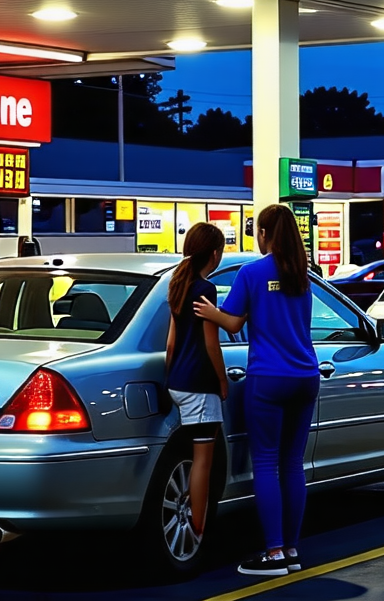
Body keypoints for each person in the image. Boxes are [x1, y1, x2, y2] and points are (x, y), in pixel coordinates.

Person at [194, 204, 319, 578]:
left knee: (265, 462)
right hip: (306, 375)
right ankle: (291, 550)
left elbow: (233, 322)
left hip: (268, 377)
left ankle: (273, 553)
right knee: (292, 462)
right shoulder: (302, 274)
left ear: (264, 233)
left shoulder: (251, 273)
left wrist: (209, 312)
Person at [165, 222, 229, 544]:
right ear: (214, 253)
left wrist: (171, 375)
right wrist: (222, 380)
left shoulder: (178, 284)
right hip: (200, 386)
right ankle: (198, 528)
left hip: (178, 381)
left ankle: (195, 520)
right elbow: (211, 343)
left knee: (193, 456)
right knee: (203, 459)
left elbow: (171, 343)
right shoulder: (205, 289)